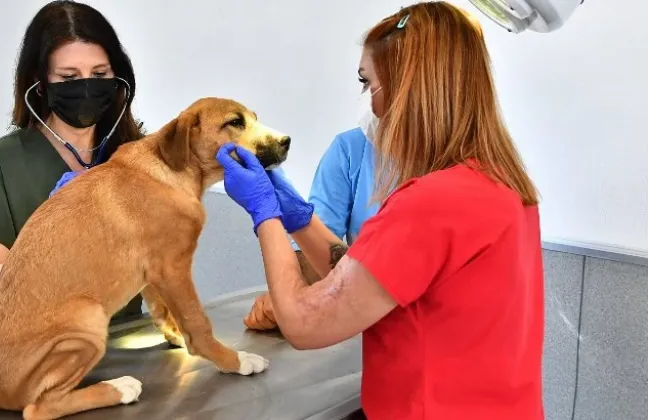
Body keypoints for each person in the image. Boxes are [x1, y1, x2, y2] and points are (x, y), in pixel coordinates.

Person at [217, 2, 545, 419]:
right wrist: (298, 217)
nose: (366, 103)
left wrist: (265, 215)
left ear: (408, 88)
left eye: (366, 82)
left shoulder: (430, 202)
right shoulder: (501, 184)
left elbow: (303, 321)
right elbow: (363, 278)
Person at [0, 0, 146, 320]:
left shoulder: (134, 154)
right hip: (45, 349)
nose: (86, 87)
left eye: (99, 74)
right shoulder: (3, 161)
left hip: (128, 341)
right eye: (69, 77)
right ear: (40, 85)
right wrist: (51, 249)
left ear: (116, 77)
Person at [242, 127, 378, 330]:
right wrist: (294, 293)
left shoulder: (435, 183)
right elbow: (323, 259)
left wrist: (291, 303)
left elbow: (303, 335)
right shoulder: (352, 149)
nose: (369, 98)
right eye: (365, 91)